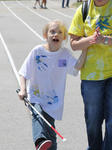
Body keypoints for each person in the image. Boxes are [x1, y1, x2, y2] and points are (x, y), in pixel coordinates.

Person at [68, 0, 112, 149]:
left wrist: (104, 40)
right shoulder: (84, 9)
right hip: (91, 76)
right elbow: (74, 44)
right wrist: (91, 39)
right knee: (93, 122)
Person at [18, 20, 87, 150]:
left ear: (64, 37)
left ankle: (47, 144)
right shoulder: (37, 51)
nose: (56, 34)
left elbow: (76, 67)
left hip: (53, 102)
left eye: (60, 32)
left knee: (50, 134)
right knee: (38, 116)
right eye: (52, 32)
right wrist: (23, 90)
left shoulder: (64, 55)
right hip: (35, 96)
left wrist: (85, 50)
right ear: (45, 35)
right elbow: (23, 73)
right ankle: (39, 141)